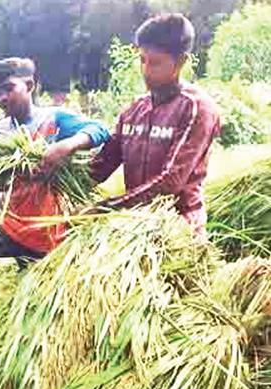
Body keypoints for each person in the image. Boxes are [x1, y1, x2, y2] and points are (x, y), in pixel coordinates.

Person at [0, 57, 110, 276]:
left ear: (29, 85)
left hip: (48, 229)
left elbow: (101, 129)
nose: (2, 98)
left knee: (39, 290)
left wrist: (66, 146)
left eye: (8, 88)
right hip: (8, 225)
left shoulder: (54, 119)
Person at [83, 14, 221, 236]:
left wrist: (107, 207)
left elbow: (170, 182)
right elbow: (102, 164)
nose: (146, 70)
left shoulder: (196, 108)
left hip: (178, 231)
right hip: (134, 225)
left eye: (155, 62)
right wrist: (58, 176)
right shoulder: (134, 110)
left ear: (181, 62)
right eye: (142, 60)